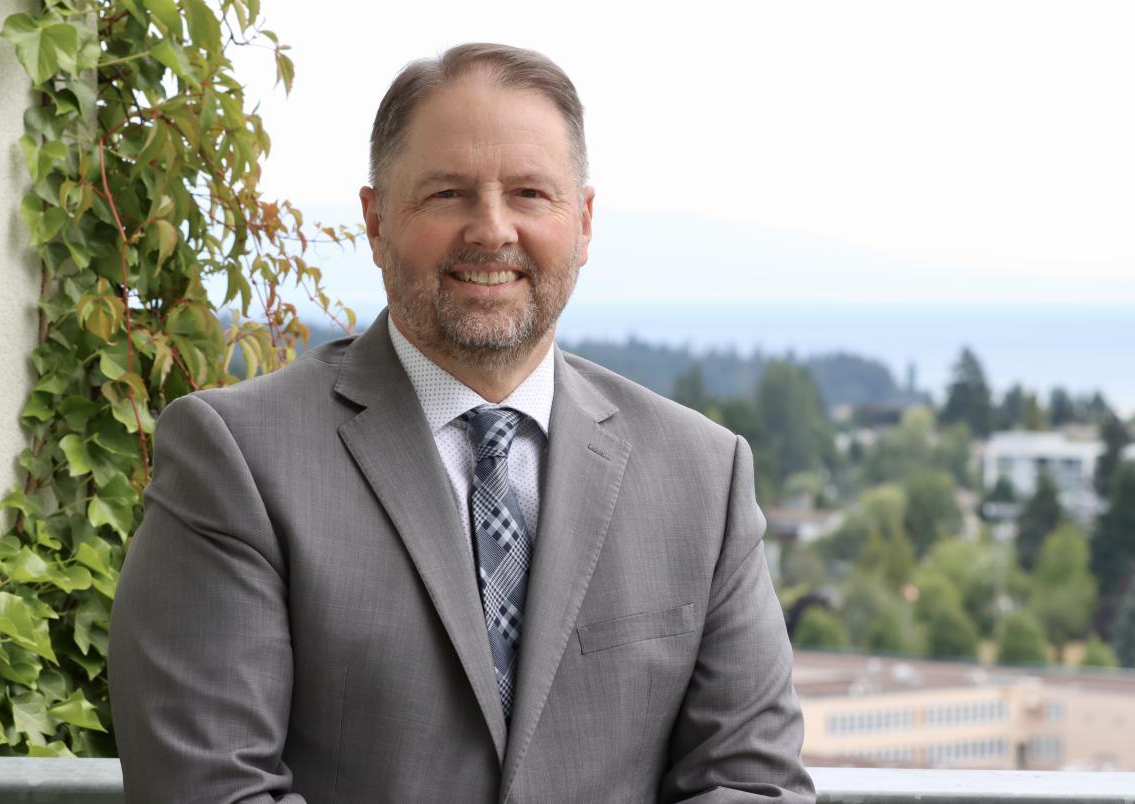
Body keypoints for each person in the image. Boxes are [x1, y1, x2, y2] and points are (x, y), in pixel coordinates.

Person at [110, 43, 815, 803]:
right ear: (376, 222)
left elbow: (750, 784)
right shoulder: (236, 459)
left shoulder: (702, 476)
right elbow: (209, 787)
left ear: (582, 223)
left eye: (530, 194)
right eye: (447, 194)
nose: (490, 229)